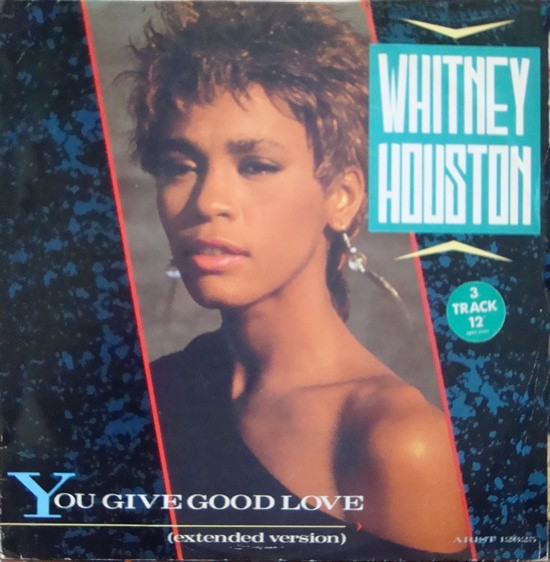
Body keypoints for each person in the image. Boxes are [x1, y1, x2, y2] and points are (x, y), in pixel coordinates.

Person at [129, 2, 469, 559]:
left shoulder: (400, 443)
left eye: (256, 166)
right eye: (180, 165)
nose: (208, 202)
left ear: (342, 197)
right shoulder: (153, 394)